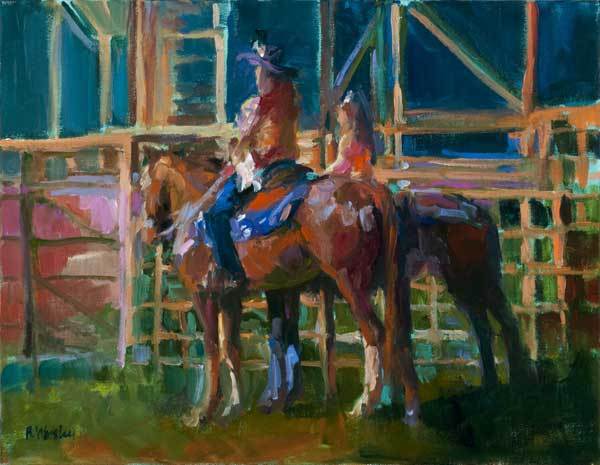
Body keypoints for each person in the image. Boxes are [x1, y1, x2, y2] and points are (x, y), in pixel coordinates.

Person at [203, 36, 300, 282]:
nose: (256, 76)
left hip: (266, 168)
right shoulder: (289, 97)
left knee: (215, 213)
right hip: (289, 165)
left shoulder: (263, 106)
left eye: (259, 71)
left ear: (268, 76)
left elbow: (248, 143)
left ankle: (232, 274)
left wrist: (236, 154)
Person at [326, 90, 375, 180]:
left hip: (353, 180)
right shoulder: (359, 137)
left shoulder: (348, 139)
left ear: (348, 115)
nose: (338, 119)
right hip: (358, 178)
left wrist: (326, 172)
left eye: (339, 114)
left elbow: (340, 167)